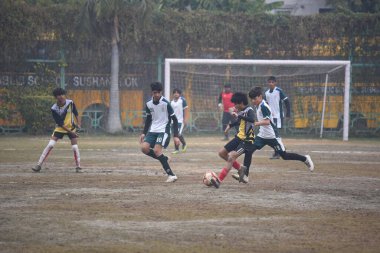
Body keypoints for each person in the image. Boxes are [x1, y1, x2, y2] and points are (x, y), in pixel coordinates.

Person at [232, 87, 314, 183]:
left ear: (260, 96)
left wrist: (256, 123)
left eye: (254, 99)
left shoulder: (264, 106)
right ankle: (245, 175)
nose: (253, 101)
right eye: (252, 99)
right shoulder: (257, 105)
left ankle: (305, 159)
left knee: (284, 155)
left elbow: (267, 121)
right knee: (249, 150)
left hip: (272, 136)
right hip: (262, 135)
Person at [211, 92, 255, 188]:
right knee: (222, 153)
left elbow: (252, 120)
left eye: (235, 103)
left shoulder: (249, 110)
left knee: (231, 157)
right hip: (239, 138)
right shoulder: (240, 111)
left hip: (247, 141)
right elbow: (240, 121)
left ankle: (219, 180)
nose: (234, 106)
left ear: (241, 102)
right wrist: (230, 125)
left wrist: (239, 115)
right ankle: (240, 169)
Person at [32, 87, 81, 173]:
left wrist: (79, 124)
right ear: (56, 97)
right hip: (60, 128)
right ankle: (38, 165)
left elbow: (76, 113)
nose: (61, 96)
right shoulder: (54, 108)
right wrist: (72, 133)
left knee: (75, 147)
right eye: (59, 95)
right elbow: (61, 124)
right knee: (50, 145)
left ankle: (78, 167)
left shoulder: (71, 103)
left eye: (62, 94)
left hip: (71, 128)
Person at [140, 82, 180, 183]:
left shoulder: (166, 103)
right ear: (152, 93)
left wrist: (176, 136)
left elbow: (174, 119)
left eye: (158, 92)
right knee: (144, 148)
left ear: (161, 92)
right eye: (155, 93)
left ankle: (171, 175)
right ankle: (164, 158)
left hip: (163, 130)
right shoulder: (148, 104)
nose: (157, 95)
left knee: (157, 151)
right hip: (153, 130)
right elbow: (148, 119)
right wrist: (144, 133)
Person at [264, 76, 291, 159]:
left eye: (272, 82)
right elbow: (265, 105)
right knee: (271, 135)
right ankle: (280, 150)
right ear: (268, 83)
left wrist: (288, 114)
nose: (271, 84)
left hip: (277, 116)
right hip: (270, 117)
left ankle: (279, 151)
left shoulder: (279, 91)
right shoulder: (266, 93)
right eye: (269, 82)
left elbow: (286, 101)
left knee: (274, 134)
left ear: (275, 83)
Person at [170, 88, 188, 154]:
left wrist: (185, 118)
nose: (176, 94)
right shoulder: (171, 102)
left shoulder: (182, 100)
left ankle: (184, 144)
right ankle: (176, 149)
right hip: (173, 121)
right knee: (175, 135)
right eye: (175, 93)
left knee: (177, 134)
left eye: (177, 93)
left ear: (179, 94)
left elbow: (186, 109)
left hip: (180, 121)